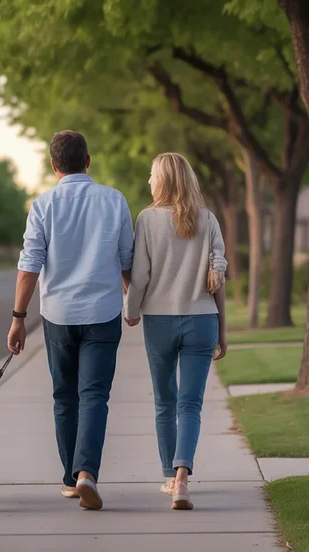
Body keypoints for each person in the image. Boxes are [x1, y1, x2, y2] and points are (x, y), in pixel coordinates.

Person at [7, 130, 134, 511]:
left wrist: (17, 318)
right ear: (88, 161)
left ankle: (69, 478)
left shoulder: (42, 206)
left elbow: (29, 265)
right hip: (103, 313)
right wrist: (135, 302)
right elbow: (128, 259)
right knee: (94, 395)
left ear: (53, 165)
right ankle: (86, 474)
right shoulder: (114, 200)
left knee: (64, 397)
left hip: (58, 316)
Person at [124, 152, 228, 511]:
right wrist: (223, 331)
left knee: (165, 402)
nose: (149, 182)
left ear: (164, 180)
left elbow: (140, 276)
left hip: (160, 321)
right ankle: (183, 477)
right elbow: (218, 281)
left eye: (152, 176)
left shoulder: (147, 220)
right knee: (191, 404)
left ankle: (171, 476)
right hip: (203, 321)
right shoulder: (209, 219)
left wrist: (132, 310)